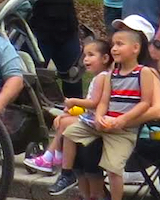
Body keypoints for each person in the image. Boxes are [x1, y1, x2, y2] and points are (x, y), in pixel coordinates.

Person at [57, 18, 160, 200]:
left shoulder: (146, 73)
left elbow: (154, 108)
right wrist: (99, 117)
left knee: (105, 160)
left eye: (120, 42)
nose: (114, 47)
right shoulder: (111, 74)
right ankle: (73, 181)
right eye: (114, 42)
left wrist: (121, 121)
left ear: (137, 45)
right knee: (69, 132)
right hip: (106, 124)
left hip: (128, 130)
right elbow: (102, 102)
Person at [28, 36, 112, 182]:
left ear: (105, 58)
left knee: (65, 123)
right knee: (63, 120)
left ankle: (51, 157)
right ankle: (56, 155)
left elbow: (94, 103)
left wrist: (73, 102)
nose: (86, 59)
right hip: (91, 116)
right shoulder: (99, 77)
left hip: (97, 119)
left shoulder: (102, 77)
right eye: (85, 55)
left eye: (91, 55)